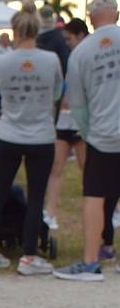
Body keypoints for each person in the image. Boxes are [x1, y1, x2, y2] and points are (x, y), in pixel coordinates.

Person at [0, 2, 62, 275]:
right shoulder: (50, 60)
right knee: (36, 197)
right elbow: (58, 92)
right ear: (37, 29)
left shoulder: (2, 60)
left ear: (14, 30)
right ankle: (28, 255)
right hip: (41, 135)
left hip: (10, 133)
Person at [54, 0, 120, 281]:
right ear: (116, 14)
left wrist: (89, 132)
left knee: (94, 195)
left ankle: (91, 261)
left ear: (91, 19)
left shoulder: (81, 52)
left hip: (102, 135)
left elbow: (76, 104)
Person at [43, 17, 89, 231]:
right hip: (65, 120)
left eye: (69, 39)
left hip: (81, 121)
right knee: (55, 165)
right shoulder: (72, 56)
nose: (66, 43)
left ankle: (110, 210)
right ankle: (50, 213)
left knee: (86, 168)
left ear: (80, 36)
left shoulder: (87, 55)